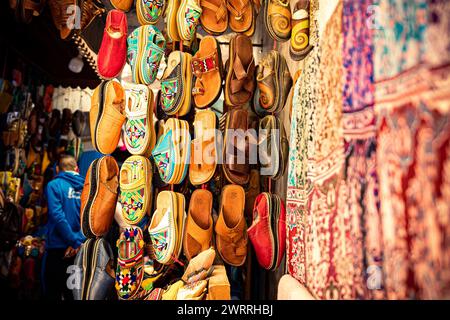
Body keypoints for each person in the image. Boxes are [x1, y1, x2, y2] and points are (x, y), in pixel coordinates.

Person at [43, 154, 85, 300]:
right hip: (79, 251)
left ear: (57, 169)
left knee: (53, 293)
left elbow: (57, 216)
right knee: (73, 294)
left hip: (58, 250)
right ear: (77, 169)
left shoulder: (53, 185)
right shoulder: (86, 187)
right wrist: (78, 241)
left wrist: (73, 241)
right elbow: (91, 219)